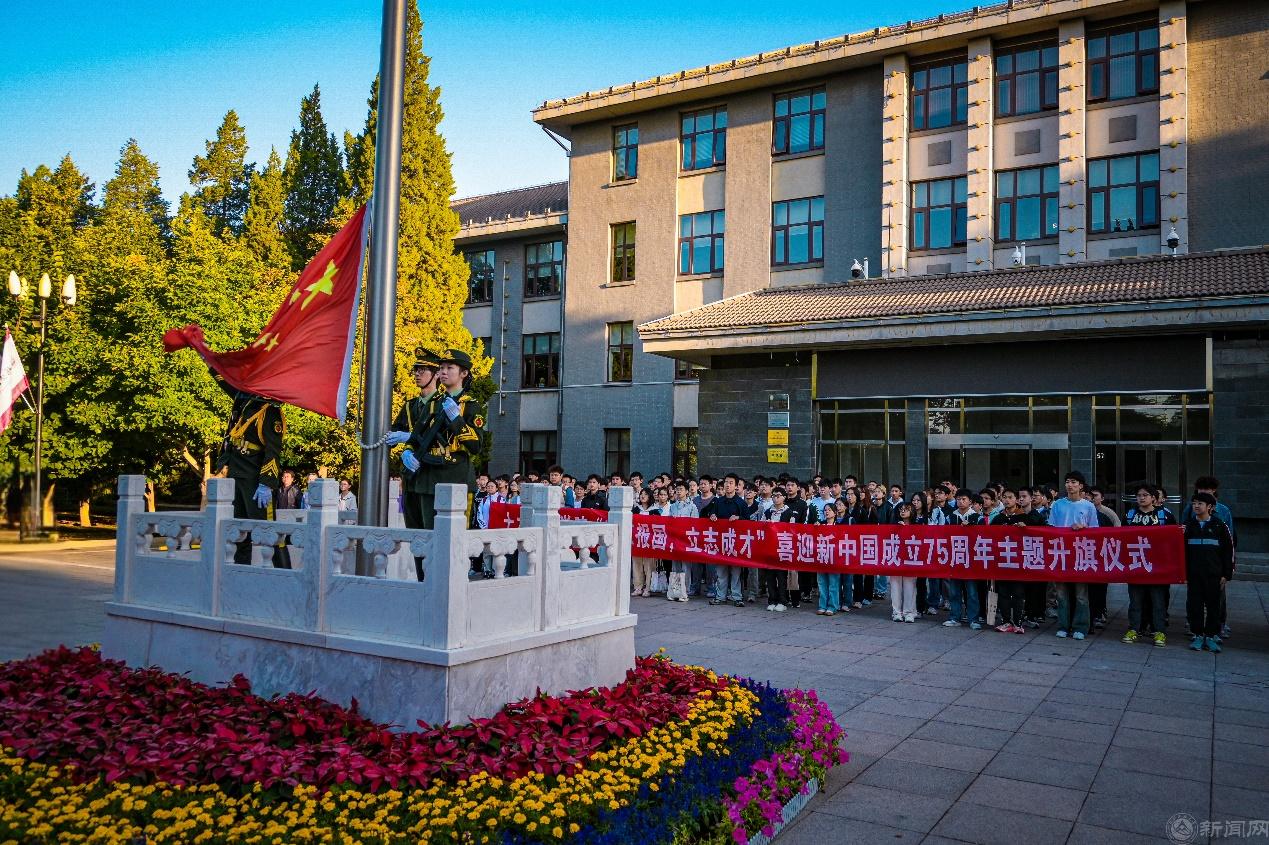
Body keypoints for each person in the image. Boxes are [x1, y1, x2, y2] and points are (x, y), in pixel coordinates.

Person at [397, 348, 487, 534]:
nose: (443, 372)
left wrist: (456, 419)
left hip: (455, 477)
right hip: (427, 479)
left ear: (464, 373)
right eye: (442, 368)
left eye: (449, 368)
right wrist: (407, 451)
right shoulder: (433, 403)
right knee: (423, 536)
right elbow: (416, 436)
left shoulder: (471, 406)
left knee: (452, 537)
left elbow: (476, 445)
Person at [211, 372, 284, 567]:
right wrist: (210, 363)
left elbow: (273, 451)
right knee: (239, 532)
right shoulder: (245, 402)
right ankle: (240, 571)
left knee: (270, 534)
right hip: (237, 476)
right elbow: (228, 383)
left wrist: (266, 482)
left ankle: (284, 573)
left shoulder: (270, 411)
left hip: (255, 480)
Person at [1049, 471, 1100, 640]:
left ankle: (1081, 627)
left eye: (1073, 482)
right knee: (1061, 594)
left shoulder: (1088, 506)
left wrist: (1084, 528)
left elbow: (1095, 531)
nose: (1070, 485)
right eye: (1067, 482)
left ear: (1081, 486)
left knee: (1081, 594)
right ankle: (1063, 625)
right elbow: (1051, 528)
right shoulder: (1057, 505)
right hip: (1061, 553)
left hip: (1081, 554)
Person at [1121, 483, 1173, 647]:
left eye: (1145, 495)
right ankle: (1134, 629)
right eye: (1139, 495)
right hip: (1136, 565)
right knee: (1135, 601)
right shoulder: (1129, 515)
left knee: (1158, 602)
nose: (1141, 498)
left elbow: (1173, 540)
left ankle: (1159, 632)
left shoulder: (1165, 516)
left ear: (1153, 498)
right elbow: (1121, 538)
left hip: (1158, 567)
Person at [1184, 492, 1233, 652]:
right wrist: (1183, 573)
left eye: (1200, 503)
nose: (1196, 506)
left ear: (1210, 507)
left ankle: (1211, 636)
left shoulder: (1220, 526)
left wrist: (1226, 574)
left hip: (1214, 575)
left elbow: (1228, 551)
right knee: (1195, 606)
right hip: (1194, 574)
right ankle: (1198, 635)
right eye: (1194, 503)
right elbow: (1182, 552)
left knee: (1213, 606)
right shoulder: (1188, 526)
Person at [702, 473, 747, 608]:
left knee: (736, 572)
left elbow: (749, 522)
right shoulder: (717, 501)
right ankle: (720, 596)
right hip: (721, 542)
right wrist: (712, 515)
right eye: (726, 482)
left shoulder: (741, 503)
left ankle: (737, 597)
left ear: (736, 486)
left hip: (736, 543)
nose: (728, 485)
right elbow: (707, 514)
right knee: (721, 572)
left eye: (731, 482)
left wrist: (739, 518)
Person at [991, 489, 1028, 634]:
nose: (1007, 500)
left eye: (1010, 497)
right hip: (1002, 560)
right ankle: (1006, 621)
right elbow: (988, 535)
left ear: (1017, 500)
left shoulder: (1024, 517)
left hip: (1019, 561)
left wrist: (1025, 528)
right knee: (1003, 592)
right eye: (1004, 497)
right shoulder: (998, 518)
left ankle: (1018, 623)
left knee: (1018, 593)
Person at [944, 491, 982, 629]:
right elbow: (944, 536)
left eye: (963, 499)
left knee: (972, 592)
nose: (960, 502)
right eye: (958, 499)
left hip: (971, 560)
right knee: (954, 591)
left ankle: (974, 619)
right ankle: (955, 617)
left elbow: (983, 537)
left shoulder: (977, 518)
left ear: (970, 501)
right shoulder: (950, 517)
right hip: (955, 558)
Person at [762, 488, 797, 612]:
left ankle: (782, 601)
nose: (776, 498)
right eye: (774, 495)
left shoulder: (789, 512)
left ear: (784, 497)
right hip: (769, 548)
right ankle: (772, 600)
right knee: (770, 576)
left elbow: (792, 530)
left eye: (778, 495)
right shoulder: (767, 512)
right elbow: (760, 527)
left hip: (782, 548)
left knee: (781, 576)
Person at [666, 481, 698, 602]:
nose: (679, 492)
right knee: (675, 566)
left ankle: (685, 591)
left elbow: (696, 524)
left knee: (686, 566)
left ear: (686, 491)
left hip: (686, 540)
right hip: (675, 539)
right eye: (677, 489)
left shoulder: (692, 506)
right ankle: (675, 590)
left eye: (681, 489)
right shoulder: (673, 506)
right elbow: (668, 522)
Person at [890, 503, 918, 622]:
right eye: (901, 509)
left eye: (906, 509)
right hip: (895, 558)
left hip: (911, 559)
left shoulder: (917, 526)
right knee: (895, 586)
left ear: (912, 512)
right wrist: (898, 528)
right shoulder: (893, 525)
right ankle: (896, 612)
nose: (903, 511)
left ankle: (909, 612)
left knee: (910, 586)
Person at [816, 502, 841, 617]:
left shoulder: (839, 526)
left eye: (829, 510)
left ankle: (832, 606)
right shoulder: (820, 524)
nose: (827, 512)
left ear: (835, 513)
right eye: (825, 510)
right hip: (821, 557)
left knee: (833, 583)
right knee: (822, 583)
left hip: (834, 558)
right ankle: (822, 605)